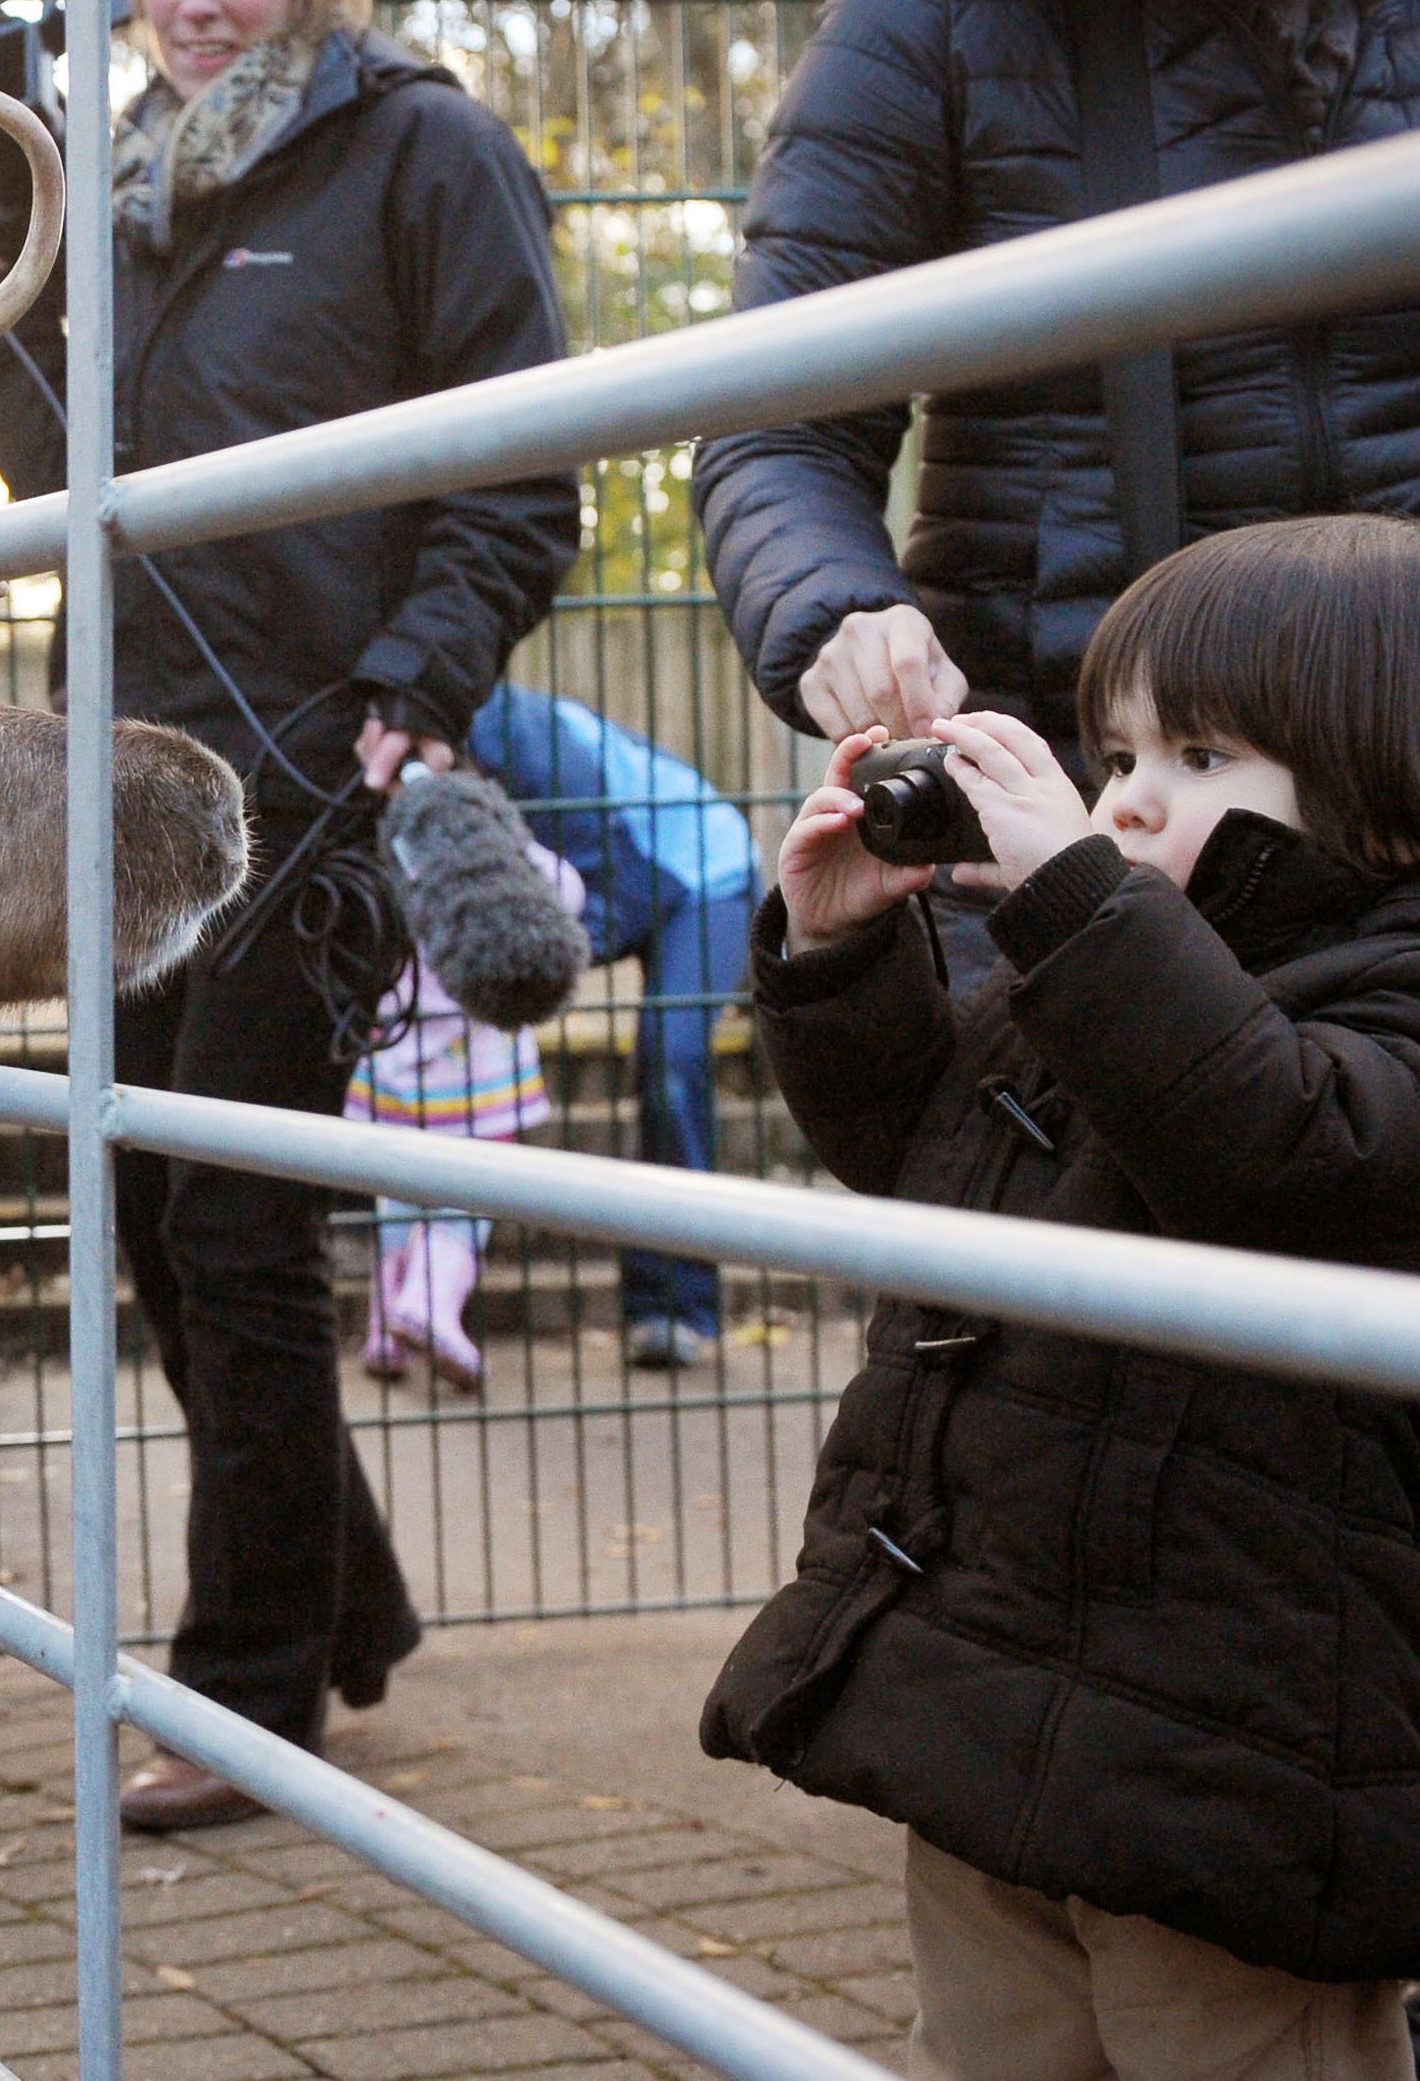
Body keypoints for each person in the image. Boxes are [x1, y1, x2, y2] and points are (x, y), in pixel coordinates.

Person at [0, 0, 581, 1831]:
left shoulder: (420, 155)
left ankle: (240, 1695)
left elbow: (518, 470)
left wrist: (410, 689)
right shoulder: (112, 186)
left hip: (321, 779)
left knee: (231, 1218)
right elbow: (63, 478)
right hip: (135, 782)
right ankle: (340, 1600)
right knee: (146, 1205)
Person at [706, 515, 1420, 2080]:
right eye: (1117, 752)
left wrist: (1085, 899)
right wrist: (837, 958)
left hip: (1236, 1755)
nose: (1131, 794)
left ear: (1390, 790)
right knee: (990, 2046)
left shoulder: (1363, 997)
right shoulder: (1101, 978)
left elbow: (1278, 1149)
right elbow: (925, 1155)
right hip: (998, 1696)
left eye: (1205, 752)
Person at [697, 0, 1420, 907]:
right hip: (1082, 821)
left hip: (1395, 797)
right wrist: (841, 611)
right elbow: (775, 423)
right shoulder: (939, 2)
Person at [460, 684, 762, 1368]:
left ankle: (680, 1309)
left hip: (702, 876)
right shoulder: (453, 744)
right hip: (639, 880)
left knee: (670, 1063)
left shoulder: (526, 743)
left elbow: (622, 883)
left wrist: (518, 975)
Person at [346, 838, 586, 1391]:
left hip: (393, 1047)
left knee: (396, 1182)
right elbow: (566, 888)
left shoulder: (380, 846)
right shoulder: (489, 853)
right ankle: (427, 1301)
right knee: (474, 1184)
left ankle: (386, 1320)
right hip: (476, 1059)